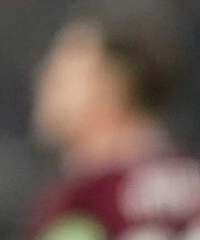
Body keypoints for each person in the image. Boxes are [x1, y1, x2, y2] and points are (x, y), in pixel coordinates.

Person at [26, 13, 200, 240]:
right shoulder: (192, 182)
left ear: (111, 88)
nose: (44, 87)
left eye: (62, 78)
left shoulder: (85, 201)